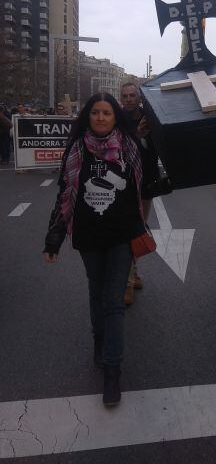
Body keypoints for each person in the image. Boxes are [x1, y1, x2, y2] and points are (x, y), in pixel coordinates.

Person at [43, 93, 160, 406]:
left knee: (114, 301)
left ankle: (113, 368)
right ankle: (99, 339)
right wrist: (53, 238)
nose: (100, 117)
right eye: (95, 112)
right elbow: (65, 195)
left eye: (106, 112)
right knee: (96, 292)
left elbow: (148, 181)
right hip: (88, 235)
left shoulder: (130, 146)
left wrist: (153, 140)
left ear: (115, 116)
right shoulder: (77, 148)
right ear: (88, 116)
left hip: (121, 235)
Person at [120, 81, 160, 305]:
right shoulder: (116, 118)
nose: (128, 100)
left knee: (139, 227)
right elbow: (116, 147)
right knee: (128, 228)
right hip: (123, 181)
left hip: (146, 178)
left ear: (139, 97)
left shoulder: (151, 116)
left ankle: (134, 271)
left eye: (132, 95)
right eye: (124, 96)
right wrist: (137, 134)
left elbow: (161, 144)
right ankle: (128, 280)